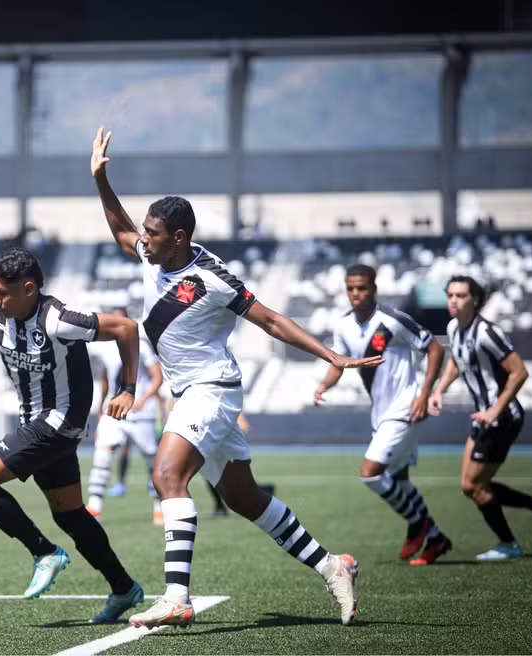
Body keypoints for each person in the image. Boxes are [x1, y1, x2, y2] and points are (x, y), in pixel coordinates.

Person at [91, 127, 381, 628]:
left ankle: (177, 596)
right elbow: (121, 231)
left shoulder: (214, 279)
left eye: (153, 234)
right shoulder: (152, 252)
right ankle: (332, 566)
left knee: (167, 476)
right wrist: (100, 179)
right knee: (243, 499)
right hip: (189, 393)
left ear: (179, 237)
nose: (143, 239)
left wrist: (330, 354)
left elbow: (270, 319)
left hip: (212, 390)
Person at [0, 247, 145, 624]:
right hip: (36, 421)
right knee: (71, 516)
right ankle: (124, 588)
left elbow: (127, 329)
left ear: (29, 288)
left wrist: (127, 388)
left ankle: (43, 552)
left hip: (59, 422)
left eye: (3, 293)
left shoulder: (58, 318)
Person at [314, 264, 452, 566]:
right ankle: (437, 539)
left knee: (370, 472)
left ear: (373, 289)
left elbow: (435, 350)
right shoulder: (343, 326)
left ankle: (419, 523)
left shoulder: (392, 320)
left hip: (407, 406)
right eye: (350, 288)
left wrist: (424, 394)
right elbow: (339, 362)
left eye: (361, 288)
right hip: (381, 413)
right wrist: (324, 384)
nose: (355, 294)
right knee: (400, 480)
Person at [429, 276, 532, 560]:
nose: (453, 300)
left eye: (461, 295)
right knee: (470, 485)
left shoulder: (487, 333)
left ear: (474, 299)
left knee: (473, 486)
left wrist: (494, 410)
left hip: (502, 419)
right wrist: (440, 389)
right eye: (450, 294)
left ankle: (509, 543)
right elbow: (456, 360)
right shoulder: (454, 328)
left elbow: (519, 372)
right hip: (482, 417)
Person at [86, 308, 165, 525]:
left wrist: (144, 399)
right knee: (103, 454)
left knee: (151, 459)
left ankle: (159, 505)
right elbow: (105, 380)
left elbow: (157, 377)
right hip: (113, 410)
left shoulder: (143, 346)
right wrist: (100, 406)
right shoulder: (106, 349)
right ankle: (95, 506)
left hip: (141, 411)